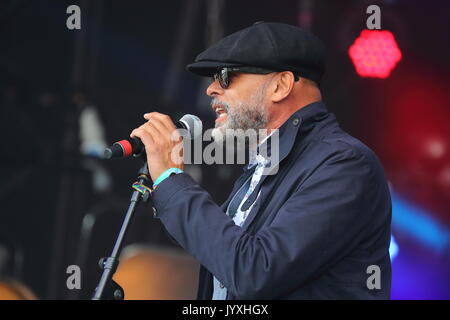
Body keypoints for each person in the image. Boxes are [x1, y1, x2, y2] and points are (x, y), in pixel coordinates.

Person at [130, 22, 392, 299]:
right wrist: (167, 184)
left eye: (226, 75)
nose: (211, 89)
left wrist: (173, 180)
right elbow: (224, 252)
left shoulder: (344, 164)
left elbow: (255, 271)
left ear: (280, 86)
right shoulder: (266, 165)